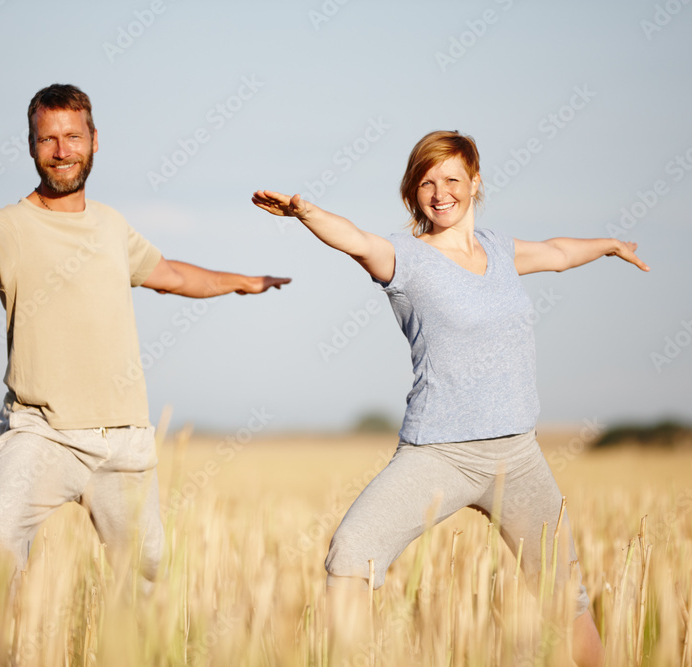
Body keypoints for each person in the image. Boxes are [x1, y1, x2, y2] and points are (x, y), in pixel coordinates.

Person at [0, 83, 290, 637]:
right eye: (48, 139)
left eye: (73, 137)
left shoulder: (110, 225)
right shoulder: (8, 226)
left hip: (124, 436)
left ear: (95, 141)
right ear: (31, 146)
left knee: (148, 576)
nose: (62, 151)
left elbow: (172, 275)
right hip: (44, 432)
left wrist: (242, 282)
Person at [253, 130, 648, 666]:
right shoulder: (407, 259)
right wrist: (307, 212)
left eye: (452, 180)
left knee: (564, 595)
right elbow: (356, 240)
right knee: (351, 553)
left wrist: (607, 245)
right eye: (426, 182)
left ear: (475, 182)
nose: (440, 193)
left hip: (520, 457)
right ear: (413, 193)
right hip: (440, 453)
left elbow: (556, 253)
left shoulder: (503, 250)